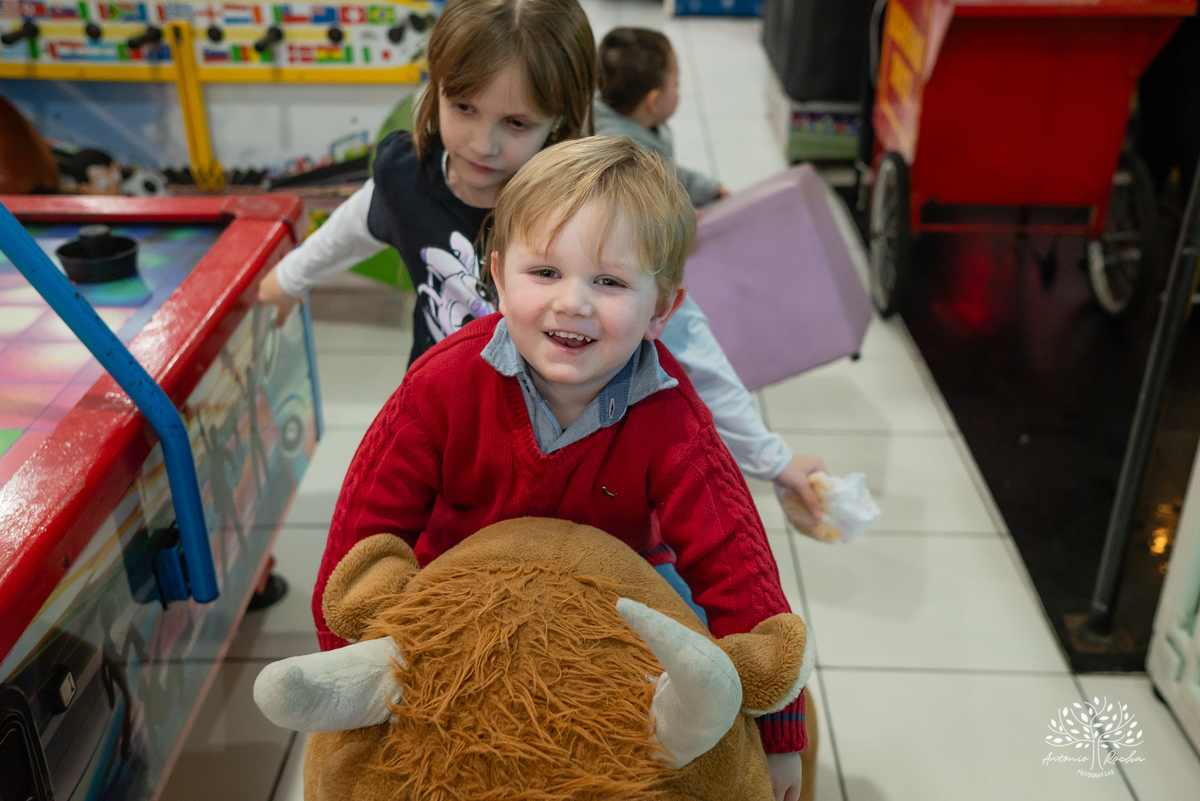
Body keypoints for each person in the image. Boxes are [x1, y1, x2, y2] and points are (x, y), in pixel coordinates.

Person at [313, 137, 807, 796]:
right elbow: (362, 533)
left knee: (695, 666)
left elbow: (738, 567)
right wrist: (347, 673)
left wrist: (776, 734)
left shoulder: (673, 416)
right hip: (456, 589)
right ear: (496, 272)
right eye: (544, 272)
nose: (572, 302)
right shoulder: (442, 384)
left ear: (662, 309)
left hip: (619, 592)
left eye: (608, 281)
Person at [255, 0, 825, 516]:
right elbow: (362, 220)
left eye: (517, 123)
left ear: (563, 116)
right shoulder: (408, 177)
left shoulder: (589, 208)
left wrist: (772, 458)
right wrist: (288, 278)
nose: (484, 143)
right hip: (449, 431)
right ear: (434, 87)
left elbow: (685, 337)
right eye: (463, 107)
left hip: (570, 452)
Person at [593, 26, 727, 207]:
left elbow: (669, 172)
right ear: (653, 102)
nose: (679, 88)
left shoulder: (640, 122)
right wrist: (687, 217)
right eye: (676, 82)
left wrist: (705, 189)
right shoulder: (627, 161)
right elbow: (648, 218)